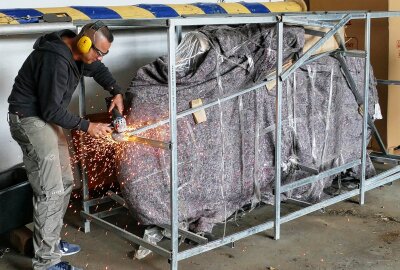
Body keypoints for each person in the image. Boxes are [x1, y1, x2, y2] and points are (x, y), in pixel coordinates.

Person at [7, 21, 124, 270]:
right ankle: (47, 262)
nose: (99, 58)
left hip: (45, 118)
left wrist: (116, 91)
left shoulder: (81, 55)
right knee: (50, 190)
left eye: (104, 53)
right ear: (84, 43)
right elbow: (51, 110)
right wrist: (88, 126)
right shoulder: (56, 60)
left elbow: (98, 69)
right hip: (30, 119)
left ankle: (47, 242)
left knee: (66, 181)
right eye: (99, 52)